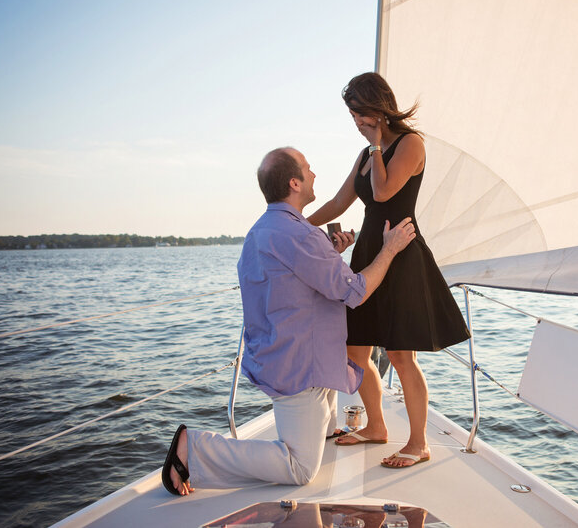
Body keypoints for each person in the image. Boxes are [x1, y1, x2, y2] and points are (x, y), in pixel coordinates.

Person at [162, 146, 416, 495]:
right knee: (300, 468)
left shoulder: (262, 230)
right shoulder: (301, 236)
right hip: (301, 366)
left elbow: (293, 281)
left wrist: (331, 254)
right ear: (295, 183)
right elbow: (355, 291)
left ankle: (322, 429)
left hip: (278, 354)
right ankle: (196, 449)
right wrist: (390, 248)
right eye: (308, 169)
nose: (314, 175)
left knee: (320, 423)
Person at [308, 73, 470, 468]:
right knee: (355, 351)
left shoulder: (409, 144)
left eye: (360, 113)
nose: (356, 122)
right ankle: (377, 427)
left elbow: (383, 192)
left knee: (400, 355)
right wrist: (295, 225)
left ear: (378, 109)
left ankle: (418, 443)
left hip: (400, 254)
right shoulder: (365, 155)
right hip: (367, 253)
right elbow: (338, 202)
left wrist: (377, 144)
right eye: (352, 115)